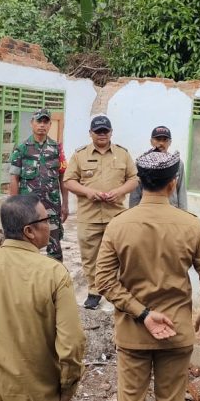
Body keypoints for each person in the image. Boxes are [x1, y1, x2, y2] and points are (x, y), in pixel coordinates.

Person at [96, 149, 200, 401]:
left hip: (134, 333)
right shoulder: (191, 225)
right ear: (173, 183)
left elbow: (104, 281)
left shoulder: (118, 224)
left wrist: (142, 313)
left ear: (140, 183)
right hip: (176, 331)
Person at [0, 195, 86, 401]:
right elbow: (71, 343)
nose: (50, 226)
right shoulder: (54, 273)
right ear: (29, 231)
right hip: (39, 391)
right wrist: (67, 388)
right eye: (46, 221)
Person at [64, 115, 138, 309]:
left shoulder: (123, 154)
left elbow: (134, 179)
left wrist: (120, 191)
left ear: (111, 132)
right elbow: (68, 181)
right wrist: (88, 192)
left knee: (121, 254)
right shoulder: (79, 155)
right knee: (90, 256)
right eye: (98, 132)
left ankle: (119, 290)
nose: (102, 134)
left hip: (117, 215)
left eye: (105, 131)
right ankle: (94, 291)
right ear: (91, 134)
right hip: (89, 216)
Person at [9, 108, 69, 261]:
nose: (42, 125)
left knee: (54, 248)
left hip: (52, 207)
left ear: (49, 125)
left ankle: (54, 279)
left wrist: (65, 204)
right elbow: (14, 179)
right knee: (26, 246)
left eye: (45, 122)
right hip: (28, 209)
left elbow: (63, 178)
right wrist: (13, 206)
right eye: (39, 121)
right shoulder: (21, 149)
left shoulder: (57, 149)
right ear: (32, 123)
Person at [129, 126, 187, 211]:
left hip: (171, 210)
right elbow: (135, 192)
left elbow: (181, 190)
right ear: (151, 141)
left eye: (165, 140)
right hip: (146, 210)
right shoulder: (142, 163)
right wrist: (133, 212)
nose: (161, 143)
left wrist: (183, 213)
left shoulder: (177, 163)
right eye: (158, 139)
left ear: (170, 142)